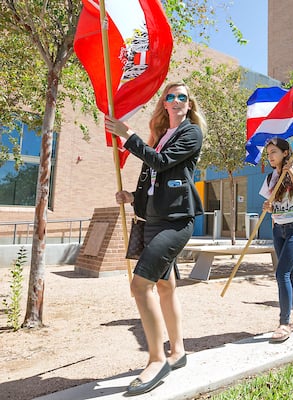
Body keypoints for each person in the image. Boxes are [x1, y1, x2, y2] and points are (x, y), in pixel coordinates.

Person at [105, 82, 205, 396]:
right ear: (164, 103)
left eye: (182, 97)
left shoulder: (191, 134)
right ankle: (178, 351)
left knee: (140, 285)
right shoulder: (161, 137)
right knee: (164, 285)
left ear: (189, 105)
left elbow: (160, 163)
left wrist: (127, 135)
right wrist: (132, 196)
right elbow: (152, 179)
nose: (176, 101)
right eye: (170, 96)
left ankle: (156, 359)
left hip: (176, 222)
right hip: (151, 220)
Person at [260, 138, 293, 342]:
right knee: (290, 274)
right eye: (268, 153)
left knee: (282, 273)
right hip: (278, 229)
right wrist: (268, 207)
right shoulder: (270, 178)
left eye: (274, 152)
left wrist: (290, 173)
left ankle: (284, 323)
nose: (270, 156)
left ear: (285, 153)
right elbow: (274, 205)